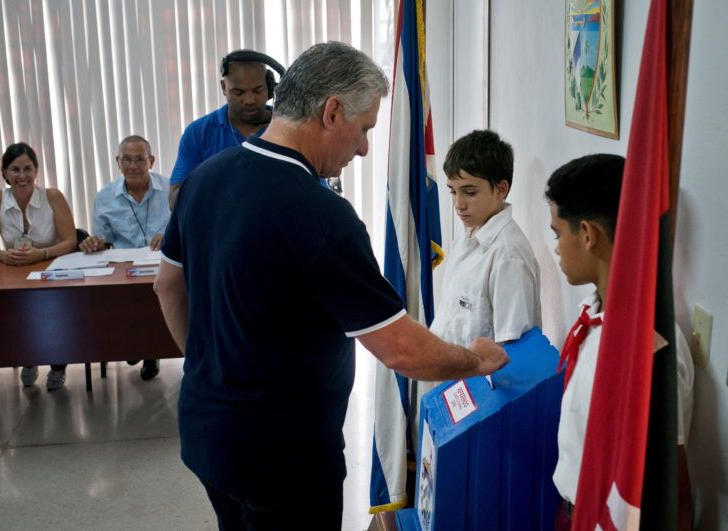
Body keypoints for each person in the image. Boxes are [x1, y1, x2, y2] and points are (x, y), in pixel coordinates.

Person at [154, 42, 509, 531]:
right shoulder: (321, 215)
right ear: (332, 112)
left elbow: (167, 285)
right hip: (285, 458)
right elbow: (402, 351)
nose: (363, 148)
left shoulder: (204, 179)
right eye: (363, 130)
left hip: (206, 432)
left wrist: (202, 365)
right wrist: (477, 360)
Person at [545, 154, 694, 530]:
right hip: (570, 511)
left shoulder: (646, 349)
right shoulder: (591, 319)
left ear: (589, 234)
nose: (557, 247)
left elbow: (672, 487)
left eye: (558, 233)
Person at [0, 142, 77, 390]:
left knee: (54, 310)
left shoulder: (52, 196)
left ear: (36, 171)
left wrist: (41, 254)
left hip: (52, 267)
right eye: (15, 170)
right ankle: (28, 356)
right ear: (4, 173)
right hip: (14, 270)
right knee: (17, 311)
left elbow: (70, 240)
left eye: (28, 169)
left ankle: (57, 363)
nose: (22, 176)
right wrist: (4, 256)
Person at [431, 130, 541, 346]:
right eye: (453, 192)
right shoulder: (466, 237)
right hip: (451, 376)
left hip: (479, 380)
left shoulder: (508, 255)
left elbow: (512, 350)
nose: (459, 204)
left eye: (470, 193)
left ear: (500, 190)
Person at [79, 135, 170, 380]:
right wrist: (94, 243)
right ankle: (136, 344)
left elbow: (187, 228)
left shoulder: (170, 190)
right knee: (125, 304)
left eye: (139, 159)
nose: (132, 166)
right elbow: (102, 241)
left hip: (162, 265)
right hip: (122, 270)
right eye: (126, 160)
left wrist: (170, 236)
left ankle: (151, 352)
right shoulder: (105, 197)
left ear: (151, 161)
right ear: (118, 162)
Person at [168, 49, 285, 208]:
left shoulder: (289, 128)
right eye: (238, 92)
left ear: (271, 88)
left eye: (258, 90)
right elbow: (175, 200)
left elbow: (315, 191)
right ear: (224, 87)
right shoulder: (198, 133)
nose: (249, 100)